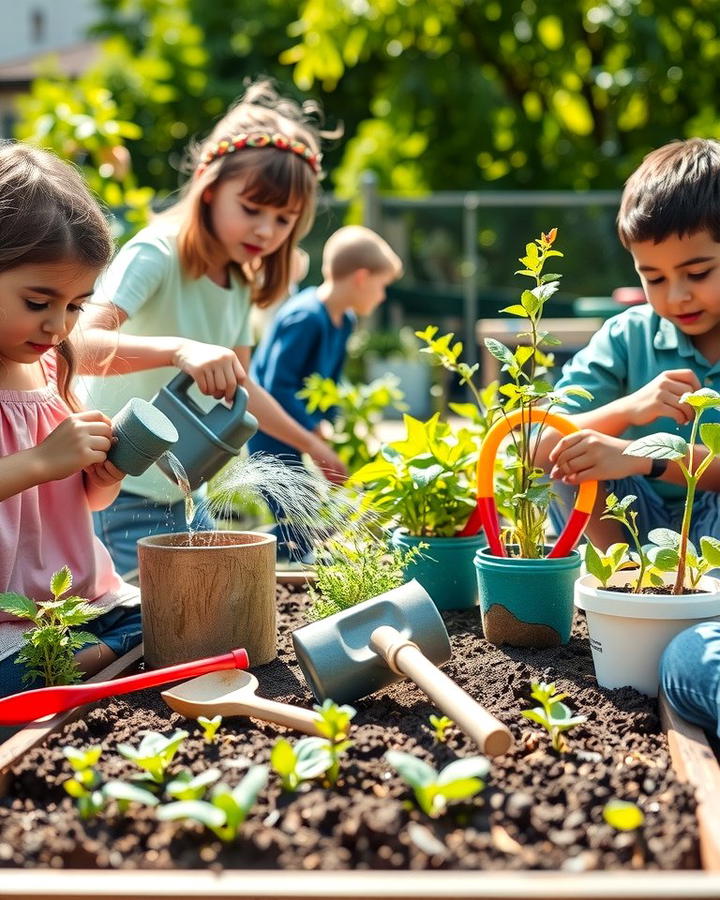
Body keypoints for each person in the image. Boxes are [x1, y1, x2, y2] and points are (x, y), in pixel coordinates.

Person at [80, 80, 348, 576]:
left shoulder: (239, 280)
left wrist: (313, 447)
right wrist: (180, 350)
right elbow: (78, 346)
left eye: (284, 219)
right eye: (251, 209)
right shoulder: (155, 253)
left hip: (183, 491)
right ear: (209, 186)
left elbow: (241, 388)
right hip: (111, 487)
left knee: (201, 620)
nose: (266, 231)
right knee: (144, 633)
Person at [0, 144, 142, 698]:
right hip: (7, 622)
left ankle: (75, 666)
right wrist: (39, 461)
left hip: (75, 606)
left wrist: (101, 478)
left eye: (76, 306)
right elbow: (36, 471)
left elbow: (80, 505)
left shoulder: (49, 366)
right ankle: (78, 668)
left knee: (169, 619)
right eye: (38, 302)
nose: (58, 325)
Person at [543, 138, 720, 550]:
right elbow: (538, 443)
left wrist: (645, 455)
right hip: (636, 526)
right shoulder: (627, 335)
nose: (676, 296)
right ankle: (619, 582)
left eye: (697, 273)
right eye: (654, 278)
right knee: (572, 456)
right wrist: (628, 409)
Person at [248, 225, 402, 561]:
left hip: (301, 429)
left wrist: (333, 425)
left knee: (309, 516)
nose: (382, 296)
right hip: (270, 431)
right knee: (295, 513)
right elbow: (277, 386)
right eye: (382, 285)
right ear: (362, 277)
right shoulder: (306, 318)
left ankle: (270, 551)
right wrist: (314, 433)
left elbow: (330, 382)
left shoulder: (343, 319)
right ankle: (249, 556)